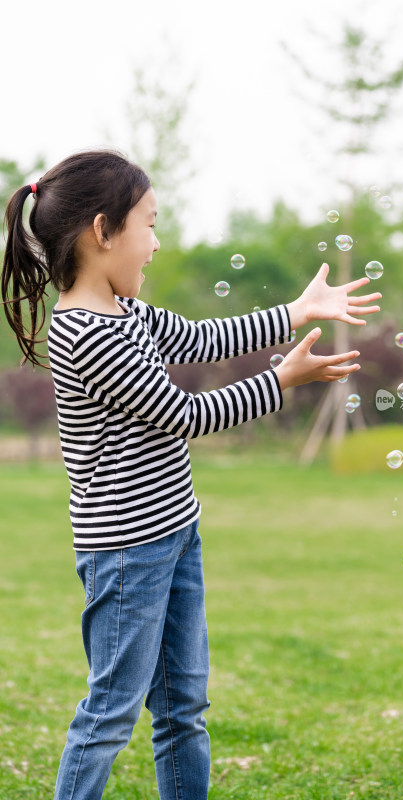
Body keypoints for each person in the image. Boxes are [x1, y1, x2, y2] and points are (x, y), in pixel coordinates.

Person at [1, 148, 381, 800]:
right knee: (112, 711)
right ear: (102, 232)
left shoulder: (127, 315)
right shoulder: (85, 335)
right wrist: (281, 381)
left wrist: (297, 310)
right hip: (126, 552)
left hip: (174, 532)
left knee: (183, 706)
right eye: (149, 224)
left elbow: (202, 340)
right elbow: (180, 414)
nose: (156, 242)